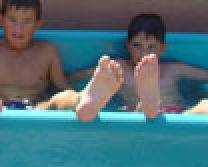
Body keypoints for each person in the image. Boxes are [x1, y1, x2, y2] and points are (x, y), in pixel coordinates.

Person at [0, 0, 126, 121]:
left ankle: (86, 99)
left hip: (36, 110)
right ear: (2, 20)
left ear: (38, 24)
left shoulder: (47, 52)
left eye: (27, 21)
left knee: (62, 99)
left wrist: (70, 97)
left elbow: (61, 87)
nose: (18, 28)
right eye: (12, 20)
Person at [66, 13, 208, 119]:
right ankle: (148, 105)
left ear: (162, 49)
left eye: (151, 47)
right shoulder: (118, 67)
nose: (144, 53)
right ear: (127, 45)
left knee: (204, 106)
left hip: (176, 117)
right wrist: (70, 83)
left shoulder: (174, 69)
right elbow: (77, 76)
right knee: (140, 112)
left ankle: (149, 106)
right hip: (135, 116)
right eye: (137, 45)